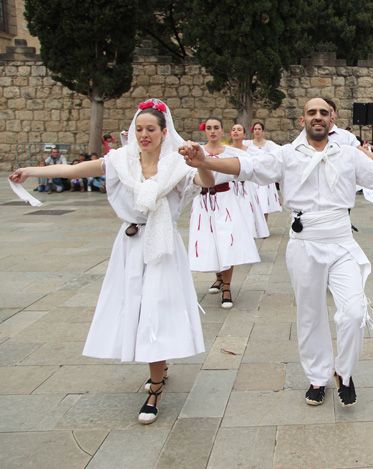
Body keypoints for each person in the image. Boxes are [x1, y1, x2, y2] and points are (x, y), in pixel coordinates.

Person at [179, 97, 373, 408]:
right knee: (310, 315)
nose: (318, 117)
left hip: (340, 241)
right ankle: (317, 377)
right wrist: (205, 161)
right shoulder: (285, 155)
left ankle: (345, 372)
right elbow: (246, 167)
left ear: (332, 118)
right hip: (304, 243)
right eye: (312, 112)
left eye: (324, 112)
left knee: (352, 312)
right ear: (303, 120)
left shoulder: (349, 155)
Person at [10, 99, 213, 424]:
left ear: (164, 132)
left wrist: (201, 161)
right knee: (135, 306)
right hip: (131, 245)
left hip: (162, 246)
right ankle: (159, 368)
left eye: (151, 129)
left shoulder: (177, 165)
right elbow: (73, 170)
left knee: (155, 310)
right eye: (139, 129)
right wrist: (32, 171)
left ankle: (156, 386)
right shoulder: (121, 161)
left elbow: (207, 181)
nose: (144, 134)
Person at [188, 116, 261, 309]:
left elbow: (248, 166)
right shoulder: (198, 152)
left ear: (222, 131)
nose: (212, 131)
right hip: (203, 201)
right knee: (209, 240)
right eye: (209, 128)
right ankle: (219, 277)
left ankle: (227, 285)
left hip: (225, 200)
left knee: (227, 240)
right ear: (205, 131)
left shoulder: (232, 153)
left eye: (216, 128)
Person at [230, 123, 270, 239]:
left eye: (239, 130)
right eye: (233, 129)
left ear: (244, 134)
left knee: (247, 215)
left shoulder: (252, 151)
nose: (236, 131)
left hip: (247, 187)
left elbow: (264, 163)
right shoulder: (226, 150)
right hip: (231, 188)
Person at [245, 121, 283, 221]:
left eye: (259, 129)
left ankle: (265, 226)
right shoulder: (248, 144)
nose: (257, 131)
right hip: (252, 178)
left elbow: (281, 151)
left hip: (264, 178)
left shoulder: (269, 144)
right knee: (252, 203)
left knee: (264, 202)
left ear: (263, 131)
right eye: (255, 129)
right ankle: (254, 227)